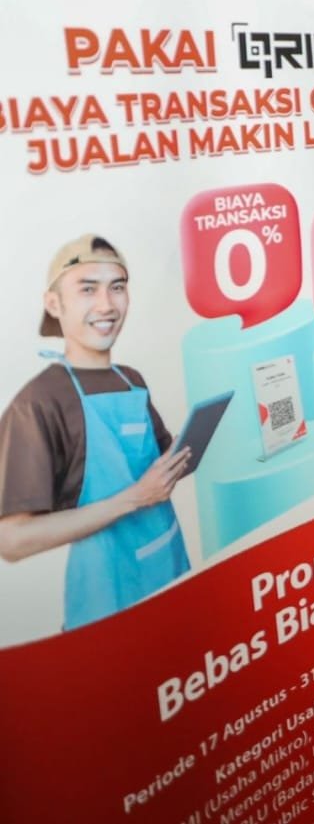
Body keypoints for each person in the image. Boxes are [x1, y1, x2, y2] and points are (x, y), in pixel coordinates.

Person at [0, 235, 191, 629]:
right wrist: (134, 499)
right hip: (106, 600)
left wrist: (190, 448)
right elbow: (12, 541)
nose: (106, 304)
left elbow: (160, 462)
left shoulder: (131, 380)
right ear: (54, 304)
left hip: (170, 568)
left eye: (117, 287)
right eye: (87, 289)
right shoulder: (38, 402)